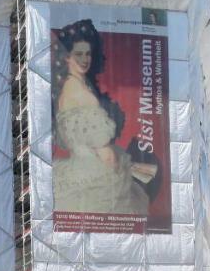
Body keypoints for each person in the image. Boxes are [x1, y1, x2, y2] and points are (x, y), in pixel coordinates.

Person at [51, 19, 156, 217]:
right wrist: (115, 172)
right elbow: (103, 152)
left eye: (88, 53)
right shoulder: (77, 91)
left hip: (86, 169)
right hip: (97, 174)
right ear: (66, 58)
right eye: (78, 54)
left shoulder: (77, 86)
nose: (84, 59)